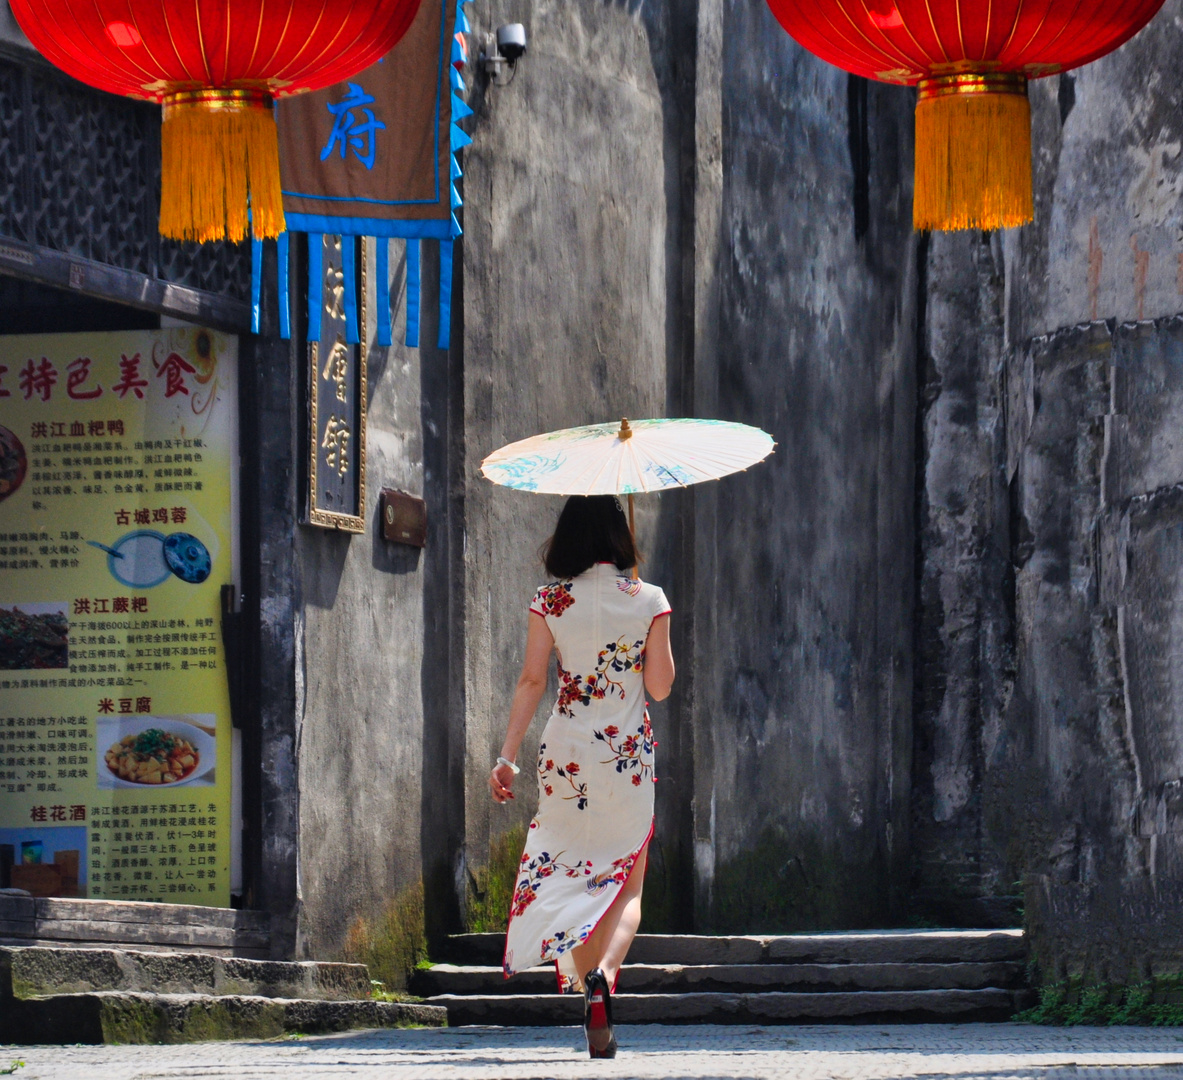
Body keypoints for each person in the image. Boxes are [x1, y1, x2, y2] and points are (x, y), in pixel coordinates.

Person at [490, 494, 675, 1058]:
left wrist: (506, 757)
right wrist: (644, 628)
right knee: (626, 880)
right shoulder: (649, 598)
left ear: (568, 538)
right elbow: (661, 687)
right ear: (620, 538)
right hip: (625, 755)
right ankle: (602, 978)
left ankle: (582, 972)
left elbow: (530, 681)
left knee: (569, 866)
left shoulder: (550, 600)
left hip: (565, 755)